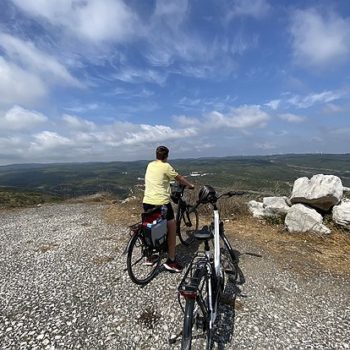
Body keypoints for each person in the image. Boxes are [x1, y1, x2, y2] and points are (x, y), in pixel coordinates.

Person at [143, 145, 195, 273]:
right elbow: (180, 178)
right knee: (172, 229)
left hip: (147, 202)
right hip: (161, 204)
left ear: (156, 155)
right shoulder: (166, 166)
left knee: (152, 227)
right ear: (167, 156)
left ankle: (150, 255)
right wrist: (190, 185)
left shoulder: (150, 165)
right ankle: (171, 261)